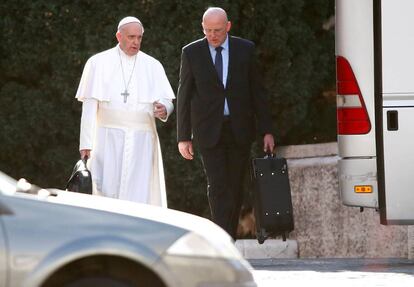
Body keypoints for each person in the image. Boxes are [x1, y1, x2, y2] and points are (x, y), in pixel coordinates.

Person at [176, 7, 275, 239]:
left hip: (239, 129)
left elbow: (258, 92)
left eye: (217, 30)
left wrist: (267, 130)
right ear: (203, 28)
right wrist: (183, 136)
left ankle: (227, 237)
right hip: (208, 130)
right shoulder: (191, 52)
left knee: (235, 186)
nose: (212, 35)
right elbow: (184, 94)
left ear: (228, 26)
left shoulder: (245, 49)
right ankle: (223, 239)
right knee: (217, 185)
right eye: (208, 30)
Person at [75, 16, 175, 207]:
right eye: (131, 37)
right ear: (118, 36)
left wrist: (165, 109)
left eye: (139, 37)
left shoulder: (152, 65)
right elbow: (89, 106)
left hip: (142, 141)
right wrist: (86, 144)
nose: (136, 42)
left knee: (140, 191)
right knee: (105, 189)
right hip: (106, 139)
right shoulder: (98, 62)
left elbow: (167, 100)